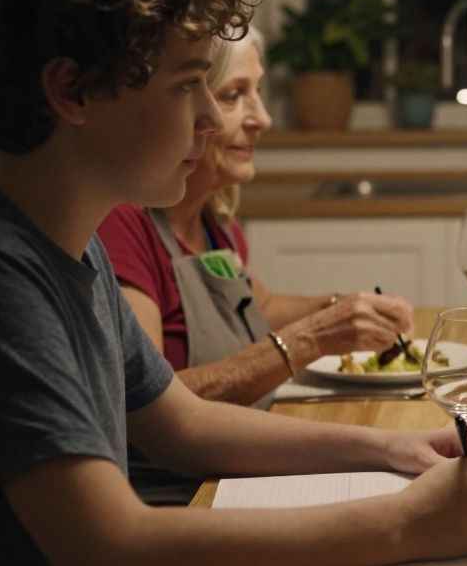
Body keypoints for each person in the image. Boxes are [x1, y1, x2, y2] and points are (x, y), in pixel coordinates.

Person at [0, 0, 467, 566]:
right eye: (185, 84)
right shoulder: (1, 278)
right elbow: (115, 562)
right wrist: (406, 522)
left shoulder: (67, 249)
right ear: (72, 89)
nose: (210, 117)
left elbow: (184, 425)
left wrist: (396, 451)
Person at [96, 27, 416, 503]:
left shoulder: (214, 220)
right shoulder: (124, 226)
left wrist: (344, 309)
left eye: (258, 92)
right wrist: (313, 337)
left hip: (236, 467)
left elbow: (255, 303)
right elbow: (156, 403)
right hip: (187, 493)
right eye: (234, 95)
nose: (262, 118)